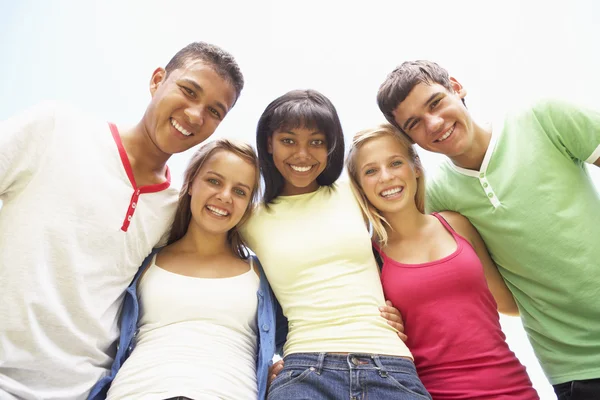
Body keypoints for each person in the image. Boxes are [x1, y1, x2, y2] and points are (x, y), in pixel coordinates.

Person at [0, 42, 244, 399]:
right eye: (188, 91)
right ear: (157, 80)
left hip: (86, 391)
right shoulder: (55, 128)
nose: (195, 115)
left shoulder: (174, 212)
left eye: (214, 111)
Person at [377, 60, 600, 400]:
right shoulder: (439, 201)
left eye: (435, 103)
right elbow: (424, 275)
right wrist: (392, 314)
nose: (434, 124)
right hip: (573, 368)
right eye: (415, 124)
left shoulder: (543, 118)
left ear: (456, 86)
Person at [241, 89, 431, 400]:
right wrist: (263, 362)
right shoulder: (249, 219)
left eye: (316, 142)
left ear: (331, 146)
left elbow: (411, 235)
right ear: (268, 144)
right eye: (288, 140)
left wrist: (405, 308)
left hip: (389, 365)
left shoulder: (354, 192)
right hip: (305, 370)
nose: (303, 154)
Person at [346, 123, 539, 399]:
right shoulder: (368, 257)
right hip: (429, 392)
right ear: (360, 186)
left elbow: (508, 303)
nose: (386, 177)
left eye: (395, 162)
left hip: (510, 385)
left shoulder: (457, 225)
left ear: (415, 167)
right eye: (371, 171)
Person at [88, 139, 283, 400]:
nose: (224, 196)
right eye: (214, 181)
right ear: (191, 183)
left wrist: (281, 374)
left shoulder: (260, 274)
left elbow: (300, 333)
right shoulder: (145, 262)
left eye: (240, 191)